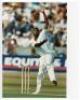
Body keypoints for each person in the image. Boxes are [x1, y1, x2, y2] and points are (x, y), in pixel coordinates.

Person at [33, 25, 58, 95]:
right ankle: (37, 90)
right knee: (40, 74)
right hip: (42, 56)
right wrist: (44, 41)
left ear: (38, 31)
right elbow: (37, 45)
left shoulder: (42, 33)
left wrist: (44, 13)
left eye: (36, 31)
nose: (34, 32)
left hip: (49, 54)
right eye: (33, 31)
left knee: (49, 65)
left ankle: (53, 79)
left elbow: (46, 23)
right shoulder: (32, 40)